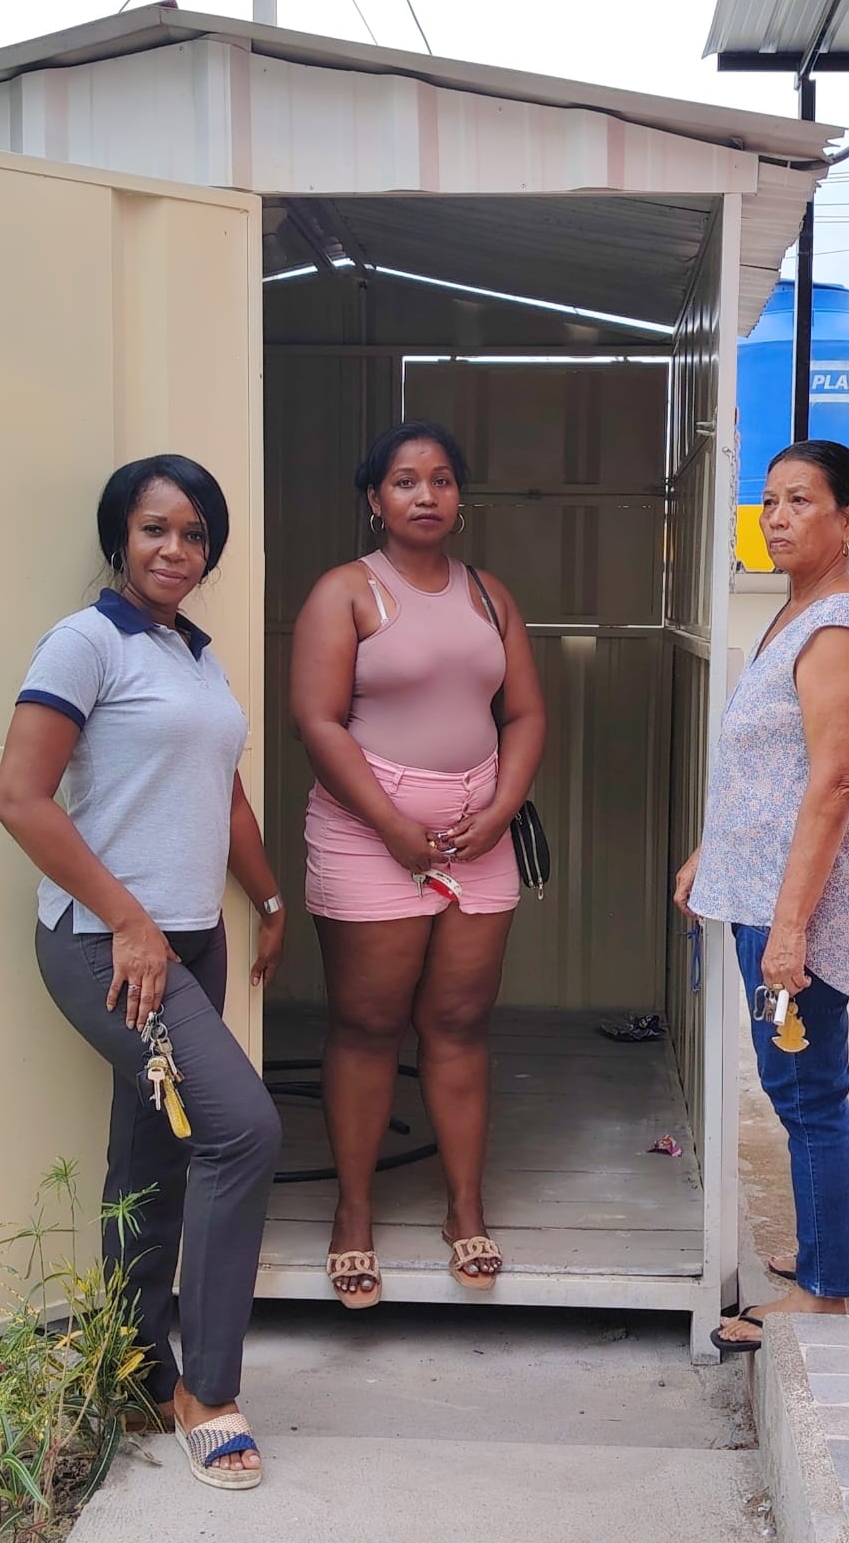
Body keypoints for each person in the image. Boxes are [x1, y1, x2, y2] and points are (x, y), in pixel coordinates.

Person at [0, 454, 285, 1489]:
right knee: (242, 1130)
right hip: (108, 946)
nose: (176, 549)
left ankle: (130, 1368)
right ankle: (208, 1390)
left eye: (195, 533)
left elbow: (224, 791)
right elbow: (19, 796)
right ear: (119, 535)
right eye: (156, 528)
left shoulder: (193, 651)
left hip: (191, 939)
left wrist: (269, 899)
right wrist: (127, 920)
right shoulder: (86, 641)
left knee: (153, 1159)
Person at [289, 421, 546, 1306]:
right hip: (371, 833)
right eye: (404, 480)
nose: (425, 494)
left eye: (441, 479)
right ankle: (353, 1214)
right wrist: (392, 824)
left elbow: (525, 714)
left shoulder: (490, 596)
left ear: (459, 498)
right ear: (375, 498)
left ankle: (464, 1206)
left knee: (461, 1021)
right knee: (368, 1024)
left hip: (479, 833)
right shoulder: (346, 592)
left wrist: (502, 808)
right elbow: (317, 721)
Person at [675, 439, 849, 1355]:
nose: (776, 517)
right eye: (768, 500)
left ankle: (823, 1291)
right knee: (816, 1084)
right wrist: (713, 851)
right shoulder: (797, 612)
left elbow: (836, 781)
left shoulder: (838, 629)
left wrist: (791, 929)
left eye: (800, 501)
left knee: (803, 1089)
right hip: (765, 889)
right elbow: (770, 769)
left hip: (798, 910)